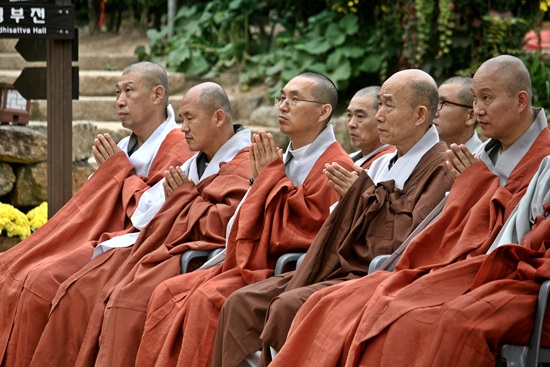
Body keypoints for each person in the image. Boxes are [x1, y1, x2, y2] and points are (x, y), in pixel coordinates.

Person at [267, 54, 550, 367]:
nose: (478, 110)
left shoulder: (539, 158)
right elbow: (447, 226)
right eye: (474, 99)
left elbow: (517, 235)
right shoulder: (479, 156)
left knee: (410, 317)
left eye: (486, 99)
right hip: (435, 264)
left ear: (521, 100)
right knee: (328, 302)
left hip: (489, 275)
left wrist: (478, 188)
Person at [213, 69, 456, 367]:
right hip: (340, 265)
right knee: (240, 303)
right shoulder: (383, 163)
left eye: (388, 105)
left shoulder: (441, 168)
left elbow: (406, 244)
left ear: (420, 114)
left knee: (286, 305)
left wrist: (363, 197)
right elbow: (338, 227)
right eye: (379, 104)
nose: (378, 115)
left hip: (374, 276)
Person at [128, 71, 355, 367]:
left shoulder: (335, 165)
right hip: (253, 259)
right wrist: (267, 180)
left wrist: (271, 179)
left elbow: (309, 231)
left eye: (295, 99)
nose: (283, 106)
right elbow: (247, 216)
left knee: (206, 299)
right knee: (167, 291)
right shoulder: (281, 157)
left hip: (283, 268)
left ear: (324, 111)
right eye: (281, 98)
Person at [25, 82, 253, 367]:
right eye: (182, 119)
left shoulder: (245, 164)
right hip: (152, 245)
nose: (183, 129)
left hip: (194, 258)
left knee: (122, 301)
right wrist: (124, 174)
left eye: (190, 118)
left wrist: (179, 198)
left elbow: (229, 227)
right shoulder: (193, 162)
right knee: (76, 288)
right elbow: (146, 211)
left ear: (218, 118)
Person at [0, 61, 193, 366]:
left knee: (41, 281)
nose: (119, 100)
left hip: (134, 246)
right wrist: (115, 171)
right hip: (101, 236)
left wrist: (117, 171)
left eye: (129, 91)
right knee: (12, 269)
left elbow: (149, 214)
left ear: (158, 95)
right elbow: (94, 203)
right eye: (117, 92)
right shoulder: (122, 146)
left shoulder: (179, 147)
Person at [346, 86, 396, 168]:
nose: (351, 124)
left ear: (381, 118)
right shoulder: (350, 158)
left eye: (360, 116)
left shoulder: (389, 162)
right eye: (349, 115)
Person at [434, 76, 484, 152]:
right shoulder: (422, 152)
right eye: (434, 102)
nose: (434, 112)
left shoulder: (484, 160)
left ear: (471, 117)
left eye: (443, 103)